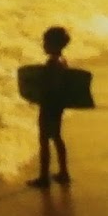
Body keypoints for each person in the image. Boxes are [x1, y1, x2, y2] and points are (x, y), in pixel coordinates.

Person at [26, 25, 76, 188]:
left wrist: (38, 96)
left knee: (44, 139)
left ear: (53, 44)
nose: (43, 45)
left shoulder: (52, 63)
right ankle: (63, 172)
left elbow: (49, 86)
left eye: (45, 42)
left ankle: (44, 177)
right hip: (57, 105)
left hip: (49, 105)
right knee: (56, 137)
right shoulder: (63, 60)